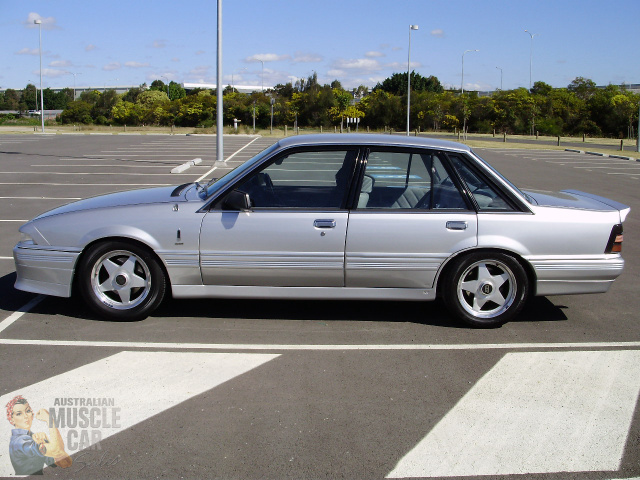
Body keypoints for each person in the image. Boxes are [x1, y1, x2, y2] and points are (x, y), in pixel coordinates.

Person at [6, 395, 72, 475]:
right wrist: (49, 419)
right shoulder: (20, 442)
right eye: (19, 414)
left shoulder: (33, 437)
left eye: (28, 411)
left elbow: (65, 463)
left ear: (32, 414)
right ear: (11, 419)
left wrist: (46, 443)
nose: (26, 416)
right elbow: (57, 450)